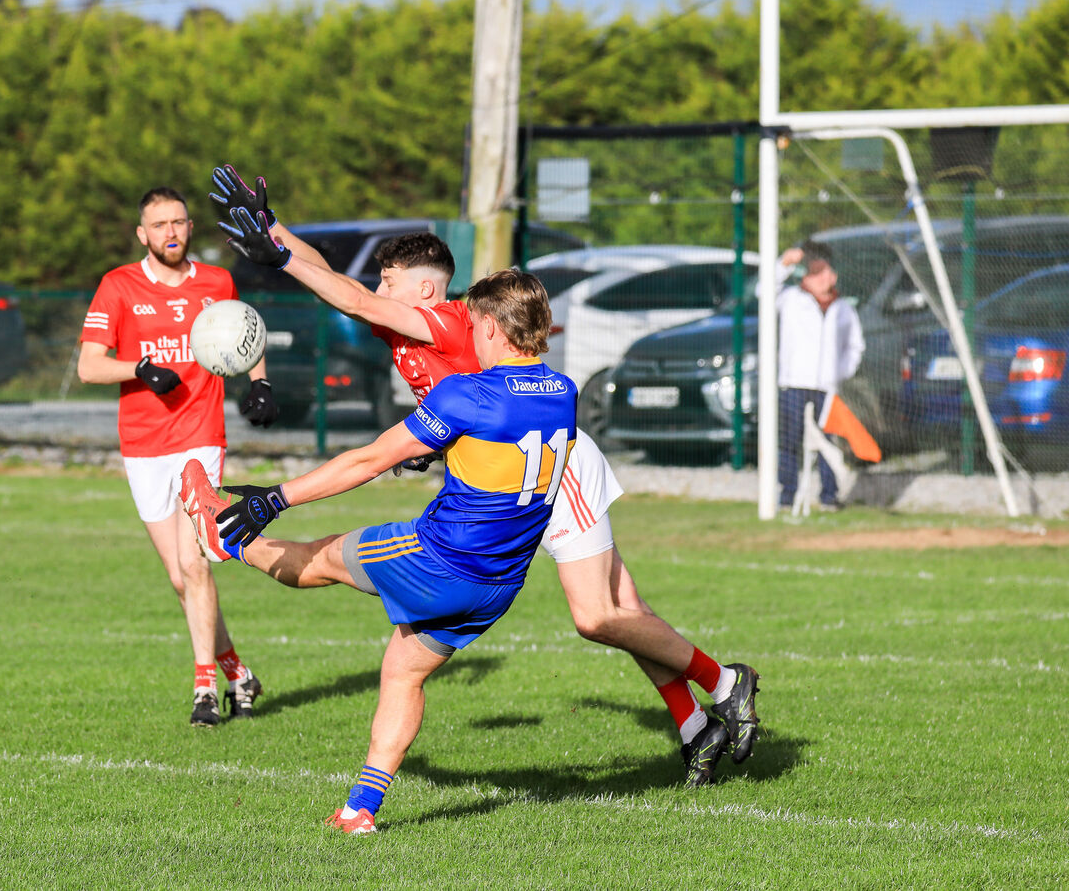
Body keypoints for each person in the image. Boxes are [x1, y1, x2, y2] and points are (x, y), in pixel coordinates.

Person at [207, 165, 762, 787]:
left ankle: (724, 683)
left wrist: (278, 254)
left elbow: (351, 296)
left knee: (599, 615)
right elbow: (342, 286)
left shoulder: (442, 319)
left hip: (548, 465)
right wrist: (273, 226)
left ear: (423, 290)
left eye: (388, 280)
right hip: (508, 468)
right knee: (619, 609)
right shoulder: (403, 321)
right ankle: (696, 727)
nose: (372, 288)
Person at [180, 269, 577, 834]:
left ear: (490, 325)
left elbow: (368, 460)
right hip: (498, 585)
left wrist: (276, 497)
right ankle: (358, 810)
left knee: (316, 561)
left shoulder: (468, 393)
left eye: (471, 322)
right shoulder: (564, 392)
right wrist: (436, 445)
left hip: (436, 559)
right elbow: (499, 450)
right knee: (402, 672)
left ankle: (225, 539)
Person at [78, 186, 279, 727]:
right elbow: (89, 366)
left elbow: (248, 333)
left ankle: (205, 689)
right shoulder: (118, 285)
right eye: (159, 224)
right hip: (144, 445)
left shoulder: (217, 282)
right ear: (142, 234)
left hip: (200, 438)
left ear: (191, 228)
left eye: (180, 222)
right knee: (179, 577)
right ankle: (239, 671)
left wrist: (259, 384)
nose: (171, 231)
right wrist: (139, 369)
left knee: (196, 564)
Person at [774, 239, 866, 512]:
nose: (820, 278)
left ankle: (828, 496)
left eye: (824, 271)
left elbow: (855, 346)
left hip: (826, 387)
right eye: (813, 272)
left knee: (828, 439)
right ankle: (787, 495)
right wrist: (784, 264)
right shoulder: (790, 299)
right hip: (793, 383)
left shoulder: (843, 308)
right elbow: (763, 291)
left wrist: (840, 372)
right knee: (790, 440)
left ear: (833, 275)